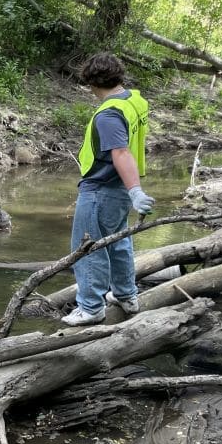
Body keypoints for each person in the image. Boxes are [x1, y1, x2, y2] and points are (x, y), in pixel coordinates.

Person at [61, 52, 155, 326]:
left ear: (91, 83)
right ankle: (126, 295)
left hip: (100, 188)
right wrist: (131, 189)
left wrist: (136, 190)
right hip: (119, 189)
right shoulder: (134, 101)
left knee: (88, 247)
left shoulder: (109, 114)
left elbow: (121, 152)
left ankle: (91, 308)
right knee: (118, 242)